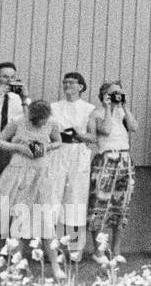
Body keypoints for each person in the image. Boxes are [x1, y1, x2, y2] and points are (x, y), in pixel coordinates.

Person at [0, 98, 63, 257]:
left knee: (43, 214)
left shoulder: (52, 123)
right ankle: (13, 258)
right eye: (36, 121)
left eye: (43, 121)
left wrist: (47, 147)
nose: (40, 124)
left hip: (41, 172)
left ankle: (53, 262)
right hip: (18, 172)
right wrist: (20, 147)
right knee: (14, 213)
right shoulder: (18, 122)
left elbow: (58, 141)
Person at [88, 80, 139, 256]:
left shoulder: (123, 113)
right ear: (104, 95)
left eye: (119, 92)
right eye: (113, 93)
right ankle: (98, 250)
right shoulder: (97, 113)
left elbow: (134, 127)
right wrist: (108, 108)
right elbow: (106, 130)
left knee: (122, 206)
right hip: (106, 159)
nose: (117, 96)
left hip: (124, 159)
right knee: (99, 205)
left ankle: (116, 249)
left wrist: (124, 108)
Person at [48, 72, 97, 253]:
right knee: (55, 198)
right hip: (58, 152)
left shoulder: (89, 109)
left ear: (81, 87)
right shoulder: (54, 107)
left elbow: (92, 136)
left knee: (76, 199)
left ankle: (74, 248)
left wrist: (79, 133)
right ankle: (54, 248)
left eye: (72, 82)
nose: (68, 85)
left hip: (78, 153)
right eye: (65, 82)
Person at [0, 63, 29, 206]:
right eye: (5, 77)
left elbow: (30, 127)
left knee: (16, 186)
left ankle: (11, 224)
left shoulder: (22, 102)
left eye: (13, 77)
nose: (9, 80)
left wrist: (24, 99)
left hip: (16, 145)